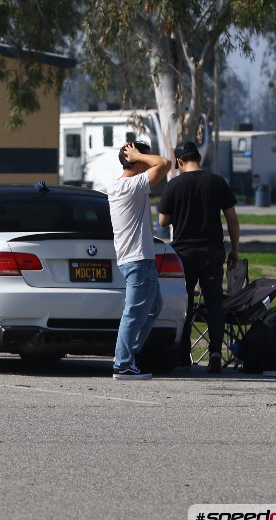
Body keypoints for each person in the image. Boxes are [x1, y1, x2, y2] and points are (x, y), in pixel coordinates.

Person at [158, 140, 240, 374]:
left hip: (183, 254)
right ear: (199, 159)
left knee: (185, 304)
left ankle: (183, 354)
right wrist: (235, 250)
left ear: (180, 161)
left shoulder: (174, 185)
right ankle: (215, 352)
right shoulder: (216, 182)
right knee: (215, 303)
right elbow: (232, 220)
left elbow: (163, 221)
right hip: (212, 252)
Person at [108, 142, 172, 380]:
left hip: (136, 259)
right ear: (135, 161)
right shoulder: (130, 186)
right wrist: (139, 155)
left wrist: (138, 156)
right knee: (134, 313)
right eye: (143, 159)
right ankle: (122, 363)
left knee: (153, 307)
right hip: (138, 260)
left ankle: (128, 356)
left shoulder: (121, 186)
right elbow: (165, 164)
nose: (147, 162)